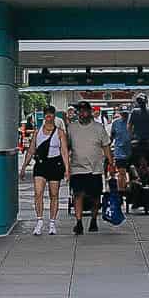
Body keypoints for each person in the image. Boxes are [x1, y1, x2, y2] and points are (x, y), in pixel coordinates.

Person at [63, 101, 109, 235]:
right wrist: (66, 166)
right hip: (77, 168)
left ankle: (93, 219)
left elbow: (106, 146)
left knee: (95, 197)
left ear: (90, 112)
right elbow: (66, 147)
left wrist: (111, 163)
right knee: (78, 194)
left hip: (95, 169)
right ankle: (79, 223)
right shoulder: (71, 128)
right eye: (80, 111)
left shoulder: (99, 128)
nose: (82, 113)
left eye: (84, 111)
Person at [31, 106, 67, 236]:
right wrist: (24, 166)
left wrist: (67, 169)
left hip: (55, 164)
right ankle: (39, 220)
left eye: (51, 114)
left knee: (54, 194)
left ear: (54, 116)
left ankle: (52, 222)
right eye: (46, 114)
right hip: (41, 164)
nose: (49, 116)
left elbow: (64, 152)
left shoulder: (60, 132)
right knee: (38, 193)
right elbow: (31, 149)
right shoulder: (37, 132)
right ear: (44, 116)